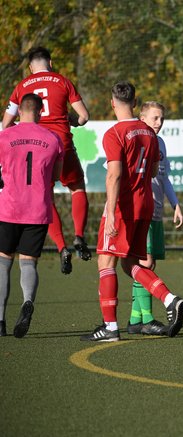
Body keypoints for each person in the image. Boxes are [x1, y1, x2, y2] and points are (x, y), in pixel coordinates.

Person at [80, 82, 183, 342]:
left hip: (124, 207)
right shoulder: (150, 134)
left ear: (112, 103)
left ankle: (110, 327)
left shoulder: (114, 133)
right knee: (130, 264)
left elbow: (114, 175)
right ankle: (170, 299)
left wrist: (111, 212)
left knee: (106, 261)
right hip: (146, 204)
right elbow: (154, 172)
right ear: (135, 103)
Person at [3, 47, 91, 274]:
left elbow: (6, 123)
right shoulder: (63, 81)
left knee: (45, 196)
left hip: (37, 147)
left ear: (30, 67)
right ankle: (79, 236)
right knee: (77, 187)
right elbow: (84, 116)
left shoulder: (21, 86)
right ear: (50, 63)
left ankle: (62, 247)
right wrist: (72, 120)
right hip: (62, 142)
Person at [0, 94, 63, 338]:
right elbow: (55, 176)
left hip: (9, 208)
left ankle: (1, 321)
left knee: (3, 262)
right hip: (37, 209)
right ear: (40, 111)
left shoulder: (4, 137)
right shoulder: (53, 139)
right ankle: (27, 301)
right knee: (28, 262)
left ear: (19, 111)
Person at [126, 101, 183, 336]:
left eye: (162, 118)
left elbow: (164, 177)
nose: (159, 123)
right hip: (142, 211)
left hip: (156, 211)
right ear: (142, 119)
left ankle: (135, 319)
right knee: (145, 263)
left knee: (148, 264)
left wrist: (175, 204)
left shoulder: (160, 142)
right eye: (155, 118)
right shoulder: (136, 139)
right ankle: (148, 319)